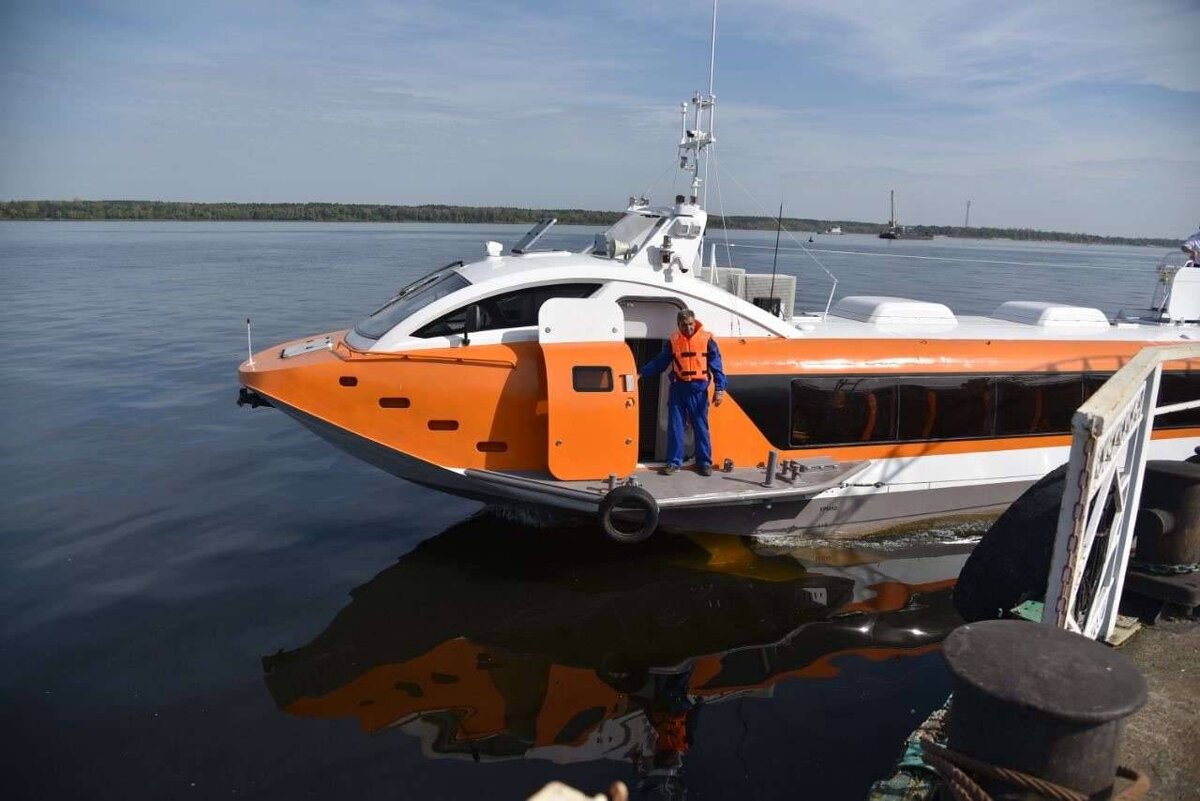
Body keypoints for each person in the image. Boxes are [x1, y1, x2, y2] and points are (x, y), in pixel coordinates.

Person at [640, 309, 726, 476]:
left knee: (701, 427)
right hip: (679, 389)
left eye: (691, 324)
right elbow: (660, 362)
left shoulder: (707, 340)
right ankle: (674, 462)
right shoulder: (673, 341)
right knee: (676, 427)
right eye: (684, 325)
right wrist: (642, 373)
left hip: (699, 389)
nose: (688, 328)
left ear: (695, 322)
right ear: (678, 325)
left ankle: (704, 462)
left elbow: (717, 366)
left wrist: (720, 389)